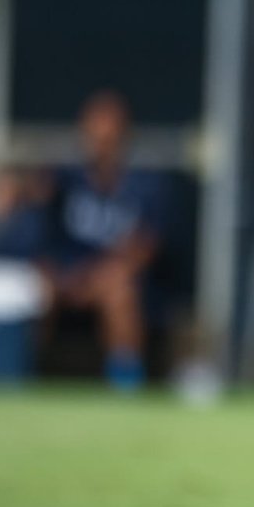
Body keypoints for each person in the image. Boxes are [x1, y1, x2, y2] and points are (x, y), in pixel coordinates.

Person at [38, 91, 164, 391]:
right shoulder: (65, 177)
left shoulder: (146, 182)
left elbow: (146, 246)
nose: (101, 144)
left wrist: (98, 277)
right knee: (34, 287)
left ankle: (125, 383)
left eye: (109, 137)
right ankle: (23, 374)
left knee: (118, 287)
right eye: (95, 135)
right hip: (68, 276)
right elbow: (38, 223)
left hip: (111, 278)